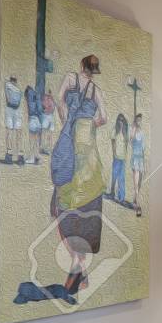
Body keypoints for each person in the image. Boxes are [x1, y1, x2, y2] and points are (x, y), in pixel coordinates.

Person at [51, 56, 108, 295]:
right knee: (85, 211)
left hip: (71, 144)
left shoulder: (70, 78)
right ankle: (79, 267)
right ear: (93, 70)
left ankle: (77, 265)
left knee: (60, 206)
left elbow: (59, 99)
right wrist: (89, 124)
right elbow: (103, 118)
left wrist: (66, 118)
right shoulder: (95, 90)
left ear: (81, 66)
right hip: (89, 152)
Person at [3, 75, 24, 164]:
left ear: (11, 79)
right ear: (16, 81)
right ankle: (20, 156)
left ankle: (9, 156)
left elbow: (7, 98)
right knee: (18, 133)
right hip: (18, 111)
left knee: (9, 132)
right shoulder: (19, 90)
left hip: (10, 109)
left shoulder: (7, 85)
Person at [109, 113, 129, 203]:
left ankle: (121, 197)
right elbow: (113, 143)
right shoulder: (115, 131)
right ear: (117, 121)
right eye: (119, 120)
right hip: (116, 156)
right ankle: (112, 192)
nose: (121, 122)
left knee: (122, 177)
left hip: (123, 157)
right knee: (114, 175)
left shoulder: (125, 132)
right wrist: (114, 154)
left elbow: (126, 144)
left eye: (122, 120)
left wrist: (125, 155)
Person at [130, 113, 146, 217]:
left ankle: (135, 200)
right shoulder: (133, 130)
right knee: (136, 183)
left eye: (140, 120)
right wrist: (134, 130)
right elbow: (130, 141)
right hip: (135, 158)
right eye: (137, 120)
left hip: (141, 158)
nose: (139, 121)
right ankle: (138, 206)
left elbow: (143, 148)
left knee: (139, 183)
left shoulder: (142, 132)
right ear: (135, 121)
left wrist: (144, 162)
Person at [26, 85, 44, 164]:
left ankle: (32, 158)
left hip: (33, 118)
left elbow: (30, 109)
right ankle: (37, 157)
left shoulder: (29, 95)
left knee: (31, 139)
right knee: (37, 140)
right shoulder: (37, 95)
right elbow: (40, 109)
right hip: (38, 120)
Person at [41, 88, 56, 154]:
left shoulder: (45, 98)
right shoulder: (52, 99)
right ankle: (50, 148)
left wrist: (44, 110)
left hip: (46, 116)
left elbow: (43, 107)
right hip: (51, 117)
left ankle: (44, 148)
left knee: (44, 133)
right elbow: (53, 108)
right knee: (50, 134)